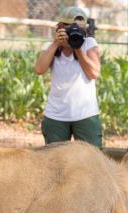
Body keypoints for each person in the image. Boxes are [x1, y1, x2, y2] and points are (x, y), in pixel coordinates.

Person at [34, 7, 102, 147]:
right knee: (54, 161)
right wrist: (55, 44)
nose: (73, 31)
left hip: (85, 115)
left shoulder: (88, 44)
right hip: (56, 115)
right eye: (69, 27)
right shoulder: (52, 47)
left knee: (91, 161)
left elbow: (93, 73)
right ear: (60, 27)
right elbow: (39, 69)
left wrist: (77, 48)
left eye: (78, 28)